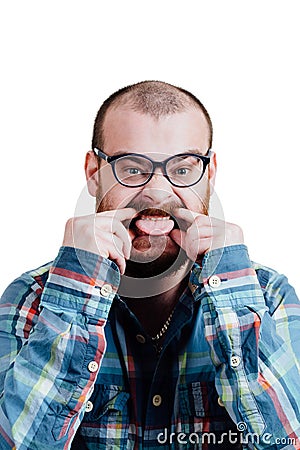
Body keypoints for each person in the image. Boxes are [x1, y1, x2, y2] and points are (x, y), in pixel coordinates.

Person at [0, 81, 299, 450]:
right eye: (132, 168)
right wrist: (77, 290)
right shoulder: (31, 299)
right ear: (94, 172)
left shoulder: (268, 297)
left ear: (211, 173)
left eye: (184, 169)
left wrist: (233, 300)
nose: (157, 192)